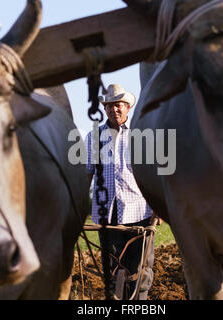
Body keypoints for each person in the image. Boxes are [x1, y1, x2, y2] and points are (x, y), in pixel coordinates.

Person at [85, 84, 162, 300]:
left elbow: (155, 175)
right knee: (111, 274)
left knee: (140, 273)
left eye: (118, 105)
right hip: (106, 218)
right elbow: (86, 175)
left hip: (139, 215)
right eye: (109, 106)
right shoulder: (94, 138)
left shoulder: (142, 136)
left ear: (128, 107)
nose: (113, 110)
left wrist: (158, 208)